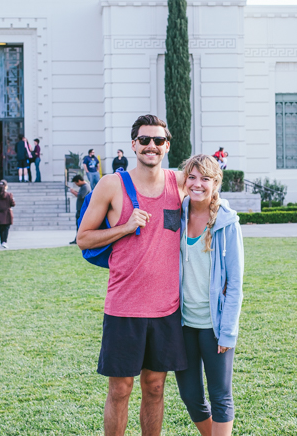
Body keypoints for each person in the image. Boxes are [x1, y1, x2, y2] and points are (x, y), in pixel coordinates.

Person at [77, 114, 188, 436]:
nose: (150, 146)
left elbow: (210, 187)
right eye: (144, 140)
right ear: (133, 145)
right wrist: (126, 227)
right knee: (120, 388)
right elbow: (84, 238)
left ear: (167, 146)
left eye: (157, 141)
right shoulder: (112, 184)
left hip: (167, 307)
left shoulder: (179, 182)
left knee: (154, 387)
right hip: (124, 307)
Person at [176, 154, 244, 436]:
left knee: (220, 396)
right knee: (191, 397)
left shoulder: (227, 223)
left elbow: (236, 283)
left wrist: (228, 331)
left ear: (216, 183)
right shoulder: (177, 215)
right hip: (183, 325)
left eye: (205, 178)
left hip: (214, 327)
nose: (197, 184)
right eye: (192, 177)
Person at [68, 174, 91, 245]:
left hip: (82, 210)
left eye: (76, 183)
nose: (76, 184)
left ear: (79, 181)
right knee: (78, 226)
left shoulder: (85, 187)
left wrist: (73, 192)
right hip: (80, 210)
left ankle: (78, 239)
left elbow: (80, 196)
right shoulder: (84, 187)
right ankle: (77, 239)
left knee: (80, 226)